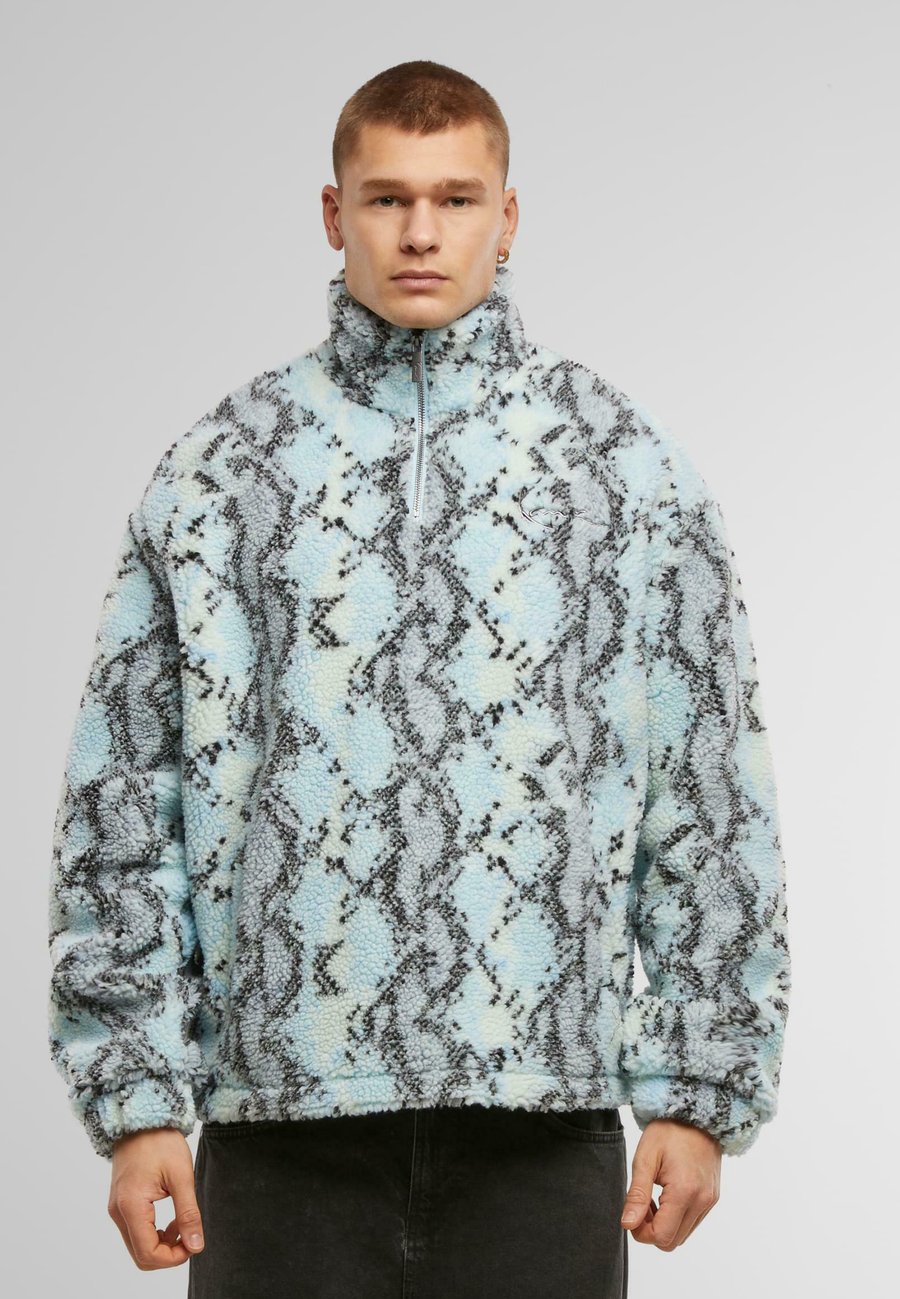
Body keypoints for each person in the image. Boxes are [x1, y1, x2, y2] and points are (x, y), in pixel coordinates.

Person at [46, 59, 792, 1297]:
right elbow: (124, 800)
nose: (422, 233)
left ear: (510, 215)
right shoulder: (222, 473)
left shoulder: (624, 473)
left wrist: (699, 1093)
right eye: (388, 198)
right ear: (333, 213)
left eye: (456, 199)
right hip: (280, 1136)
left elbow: (709, 792)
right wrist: (136, 1104)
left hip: (542, 1131)